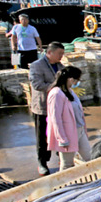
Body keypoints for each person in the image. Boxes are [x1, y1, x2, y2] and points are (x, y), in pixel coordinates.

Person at [29, 42, 66, 175]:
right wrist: (55, 85)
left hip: (59, 106)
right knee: (42, 137)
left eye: (62, 54)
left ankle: (62, 158)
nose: (61, 56)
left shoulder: (60, 66)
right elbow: (37, 85)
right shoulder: (36, 66)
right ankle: (42, 162)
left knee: (60, 132)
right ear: (49, 53)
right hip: (43, 107)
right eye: (59, 54)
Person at [46, 66, 91, 170]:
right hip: (67, 134)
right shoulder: (56, 94)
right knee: (67, 164)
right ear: (71, 79)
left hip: (79, 130)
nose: (77, 82)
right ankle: (65, 184)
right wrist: (62, 139)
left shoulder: (70, 91)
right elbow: (55, 119)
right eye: (77, 80)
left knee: (90, 157)